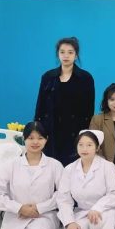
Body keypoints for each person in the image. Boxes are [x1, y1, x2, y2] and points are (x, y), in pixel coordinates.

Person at [35, 37, 95, 166]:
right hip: (51, 129)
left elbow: (89, 110)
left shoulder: (85, 78)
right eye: (62, 52)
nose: (66, 56)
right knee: (51, 165)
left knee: (72, 166)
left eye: (70, 52)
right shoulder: (48, 77)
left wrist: (84, 133)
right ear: (58, 54)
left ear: (76, 55)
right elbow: (40, 105)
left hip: (74, 130)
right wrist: (38, 128)